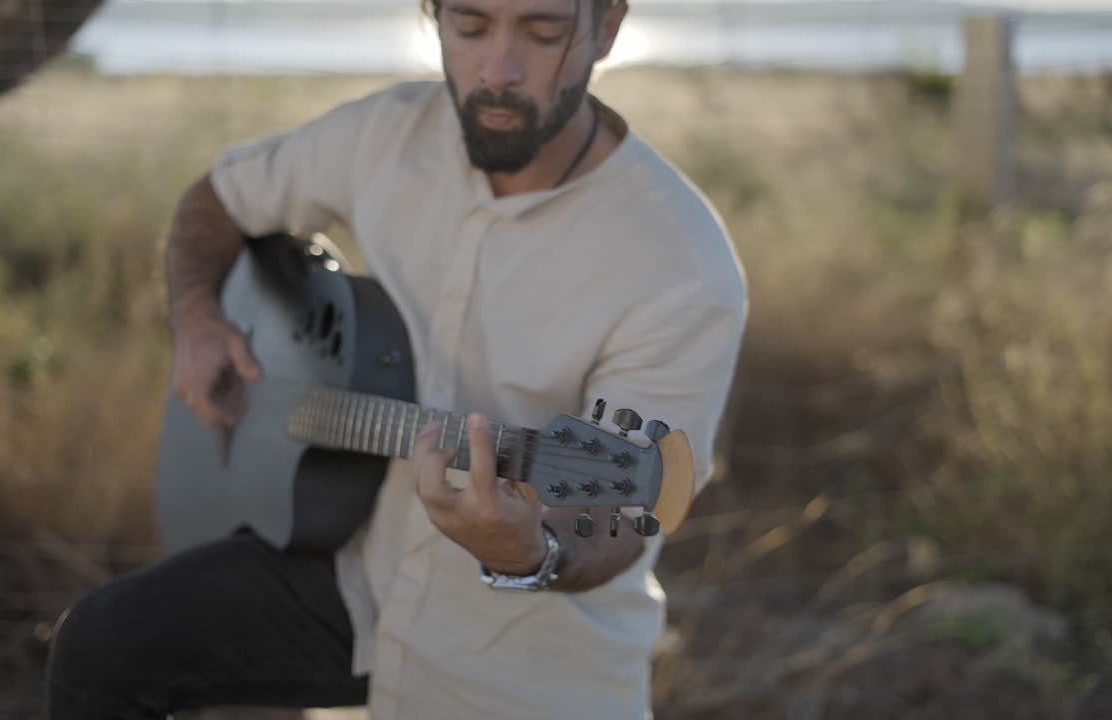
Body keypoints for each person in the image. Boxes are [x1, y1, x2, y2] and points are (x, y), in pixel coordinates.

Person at [45, 0, 746, 718]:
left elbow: (623, 520)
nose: (497, 70)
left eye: (543, 32)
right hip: (359, 582)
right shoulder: (385, 135)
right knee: (102, 645)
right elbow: (218, 199)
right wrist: (197, 320)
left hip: (530, 669)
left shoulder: (680, 263)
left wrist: (531, 550)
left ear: (608, 28)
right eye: (469, 27)